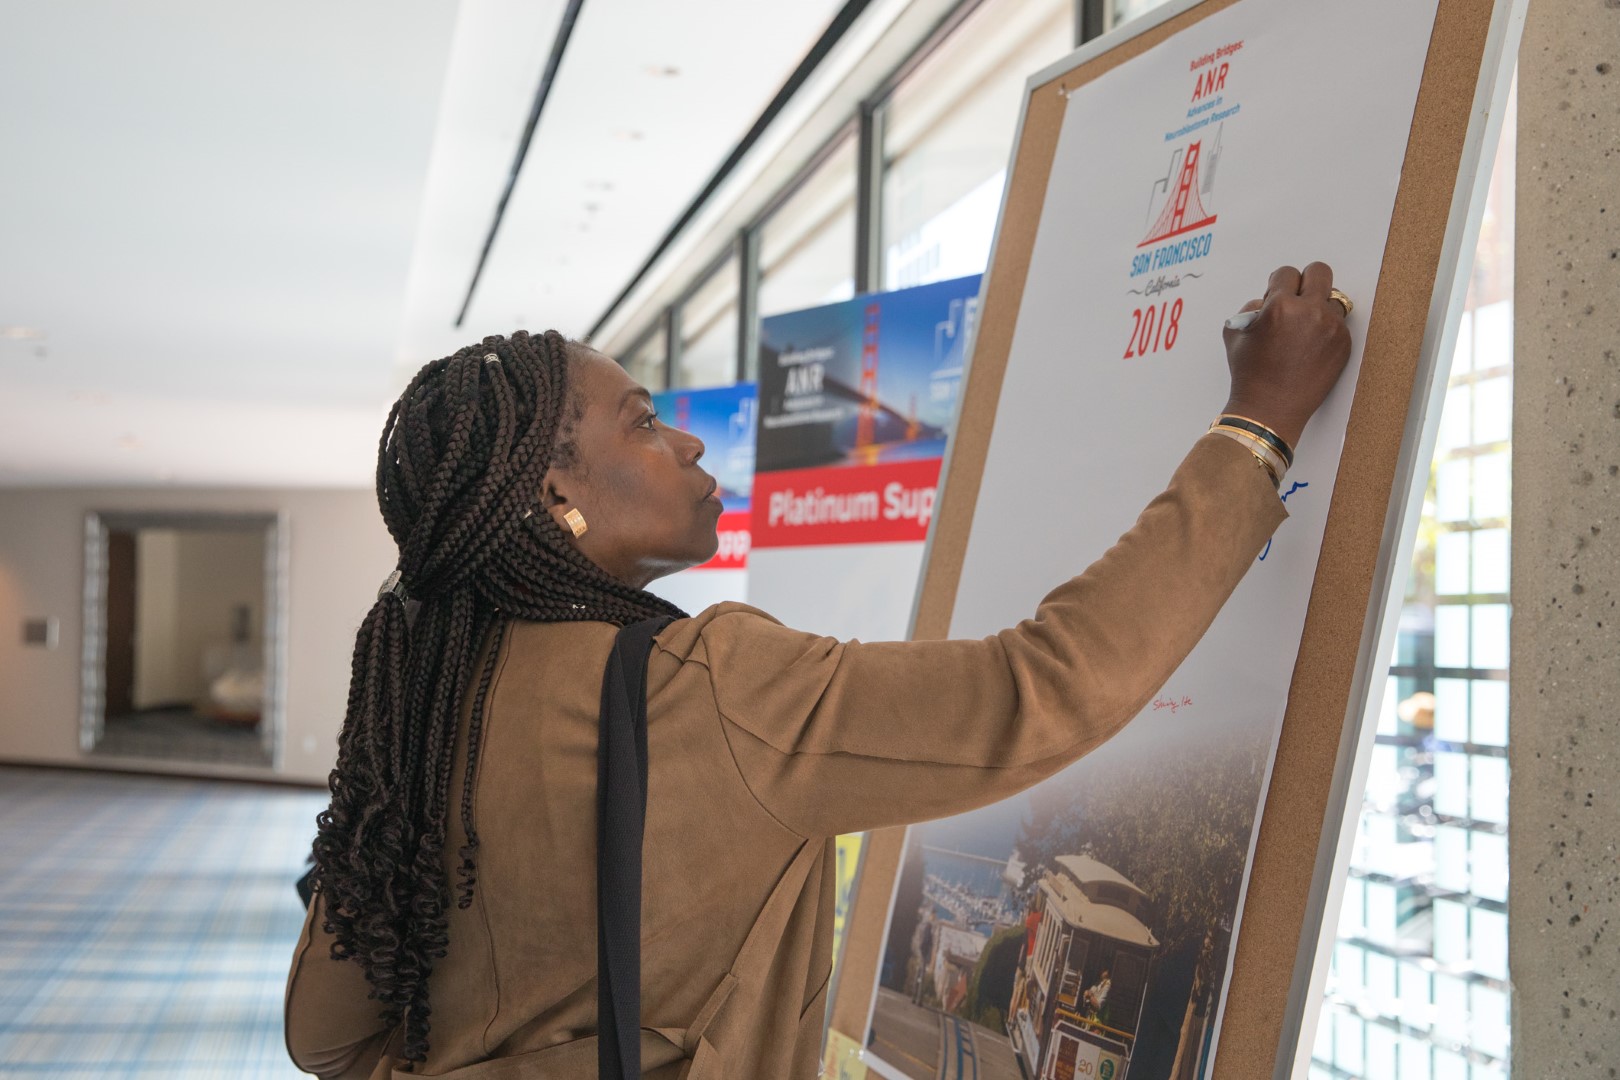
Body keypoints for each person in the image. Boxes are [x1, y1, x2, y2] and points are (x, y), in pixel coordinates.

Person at [284, 263, 1352, 1079]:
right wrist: (1257, 427)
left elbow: (325, 1036)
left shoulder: (423, 702)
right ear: (554, 493)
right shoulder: (703, 686)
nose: (689, 444)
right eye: (643, 421)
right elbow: (1043, 688)